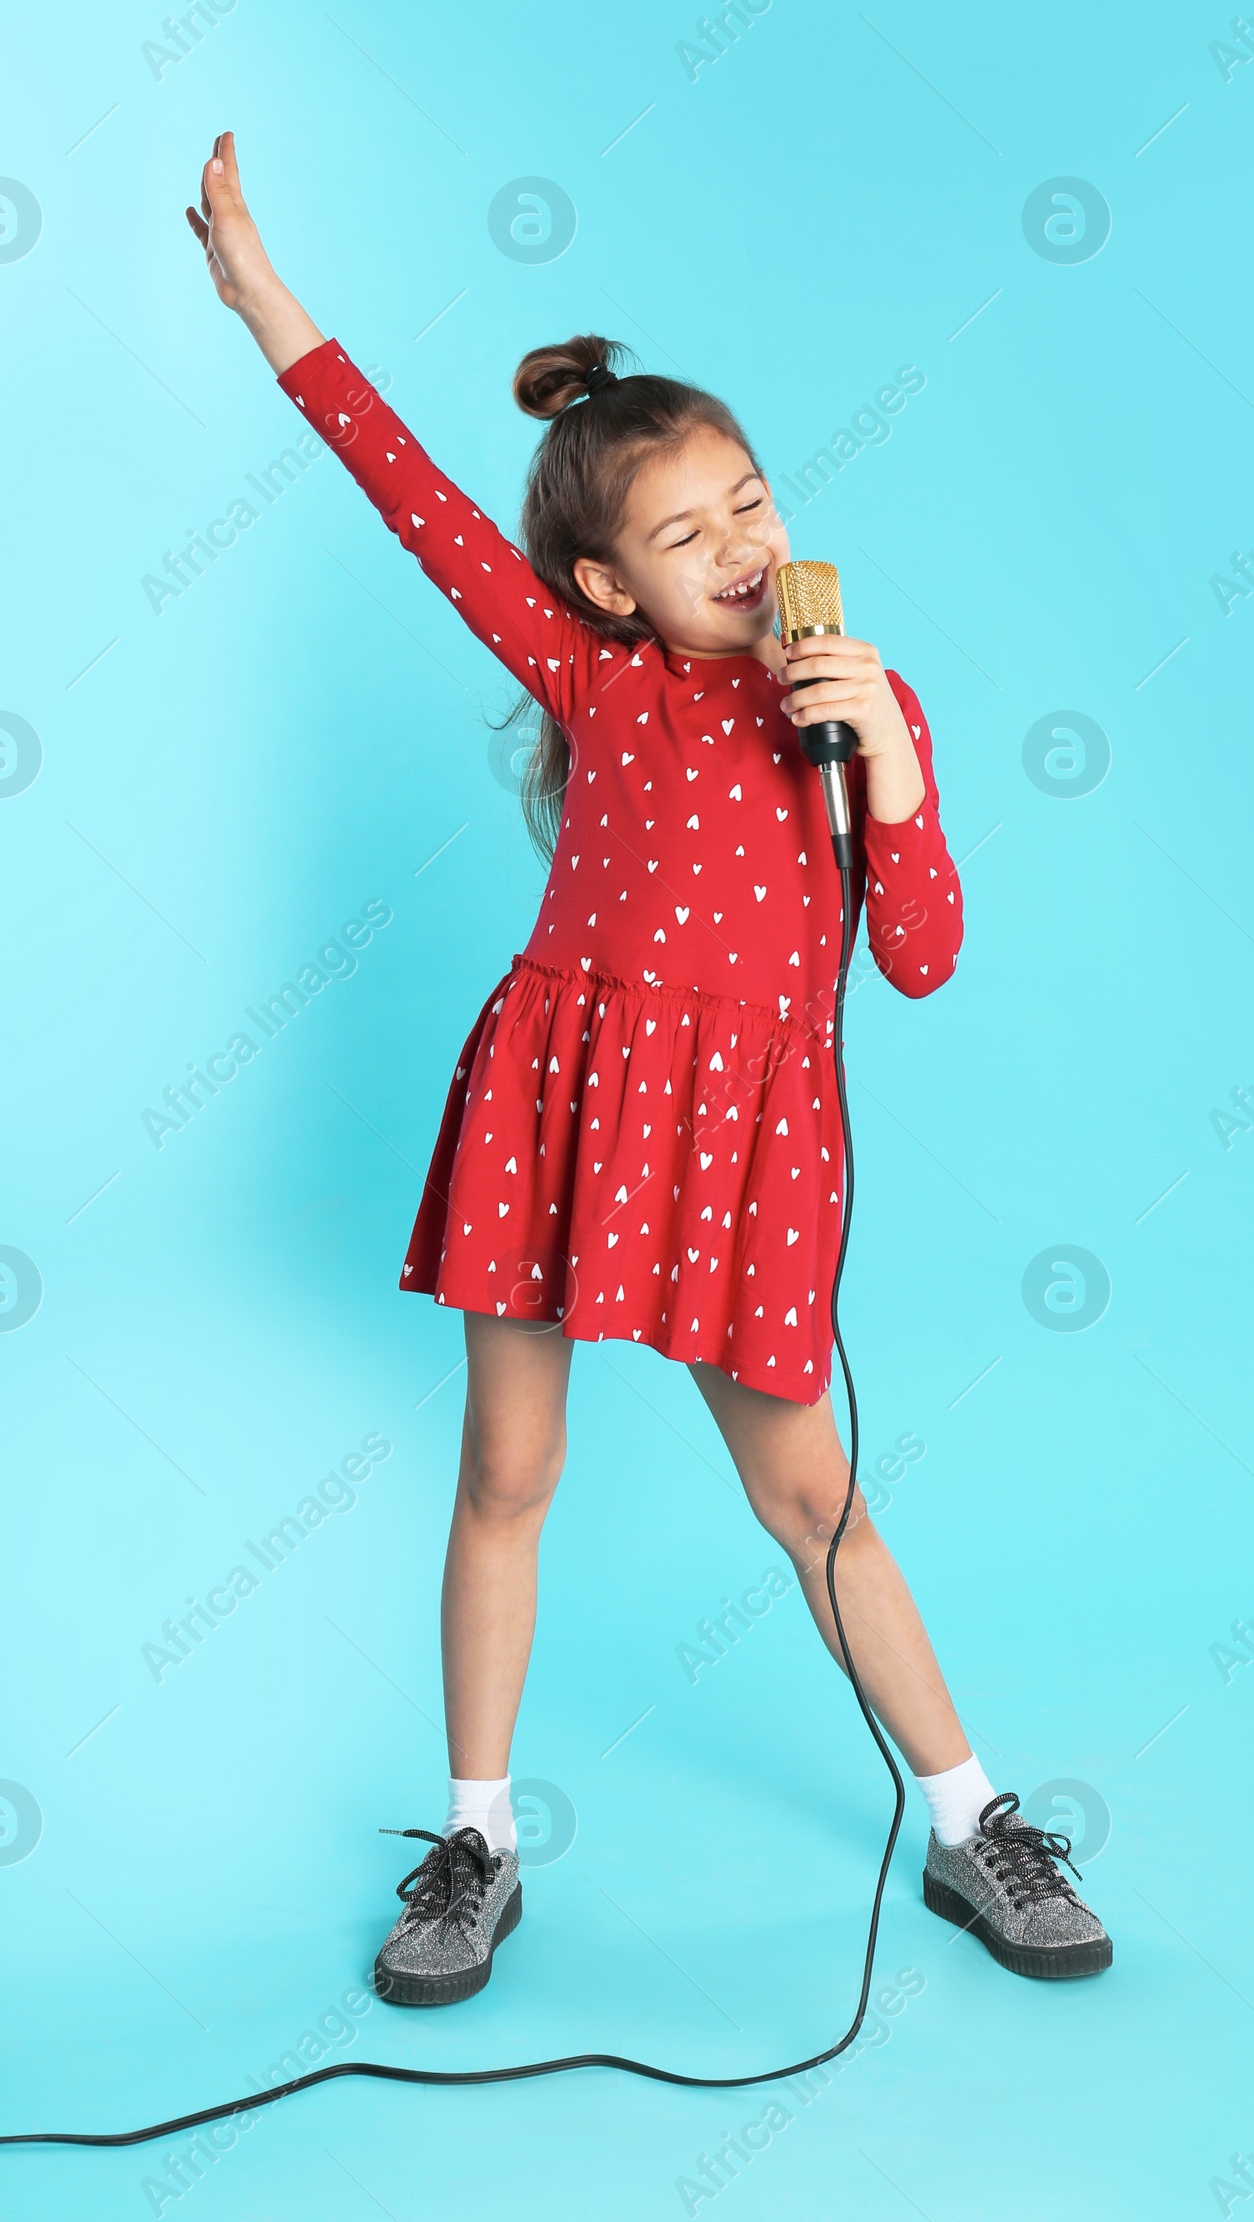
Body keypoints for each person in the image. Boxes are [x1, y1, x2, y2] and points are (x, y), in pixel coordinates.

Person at [186, 131, 1111, 2003]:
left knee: (809, 1498)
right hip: (566, 1099)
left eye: (753, 507)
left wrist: (897, 780)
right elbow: (412, 496)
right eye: (689, 537)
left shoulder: (858, 703)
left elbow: (919, 961)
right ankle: (477, 1841)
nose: (744, 551)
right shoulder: (596, 682)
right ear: (607, 592)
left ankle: (970, 1823)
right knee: (508, 1466)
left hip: (753, 1139)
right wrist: (270, 305)